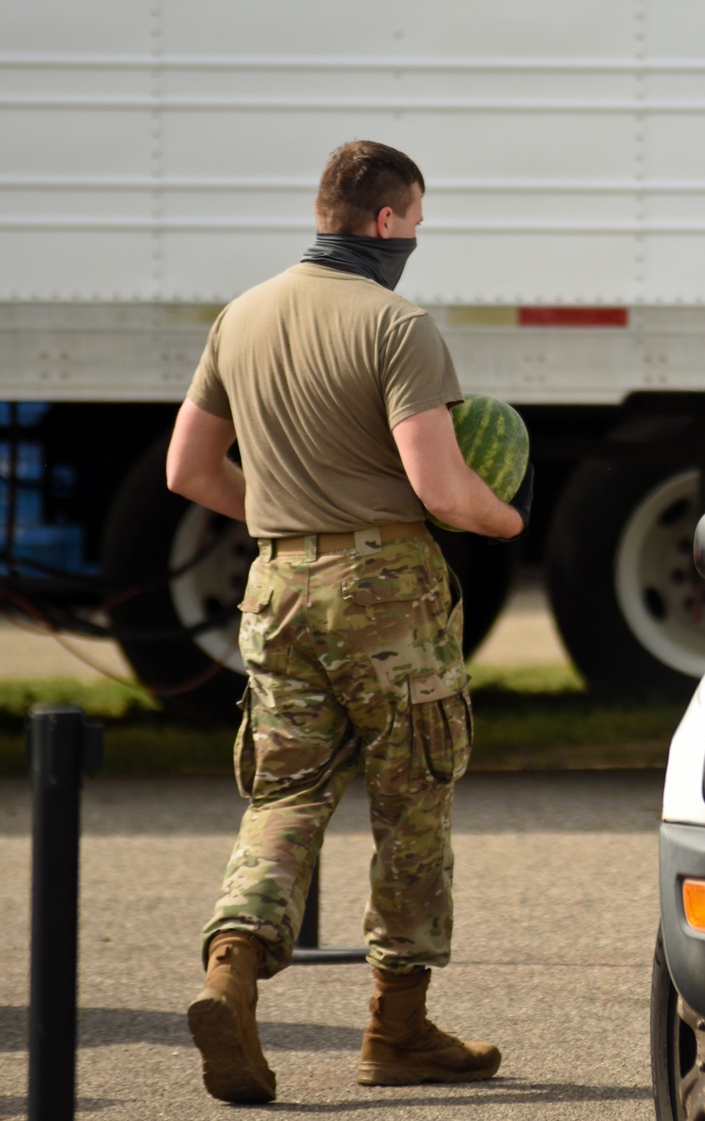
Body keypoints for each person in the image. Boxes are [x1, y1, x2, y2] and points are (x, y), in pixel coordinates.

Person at [166, 140, 532, 1104]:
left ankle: (231, 972)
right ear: (384, 220)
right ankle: (396, 1032)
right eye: (414, 218)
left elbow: (188, 472)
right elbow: (443, 490)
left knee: (285, 798)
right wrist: (508, 517)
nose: (417, 234)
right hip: (387, 597)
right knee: (412, 804)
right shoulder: (398, 324)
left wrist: (289, 518)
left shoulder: (239, 317)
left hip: (275, 586)